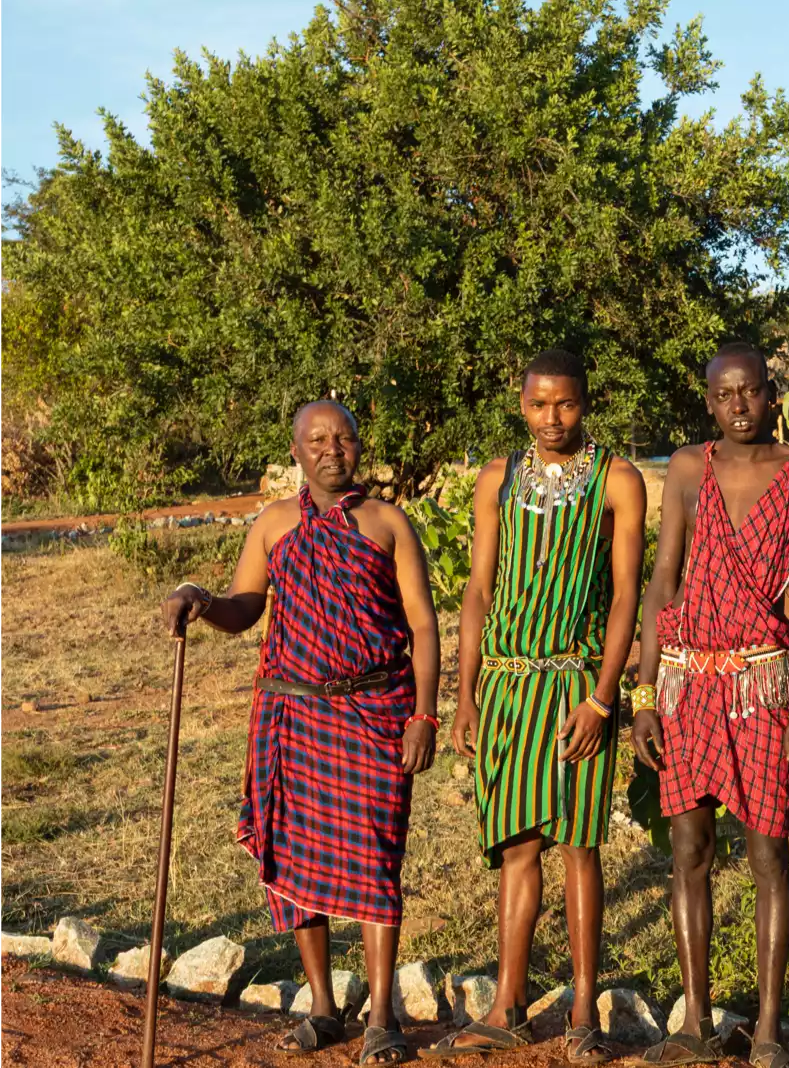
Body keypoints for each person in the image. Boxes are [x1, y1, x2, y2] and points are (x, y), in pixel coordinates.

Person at [159, 400, 439, 1066]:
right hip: (292, 715)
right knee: (295, 862)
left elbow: (423, 626)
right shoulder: (274, 525)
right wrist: (200, 598)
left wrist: (426, 714)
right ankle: (322, 1007)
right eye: (317, 440)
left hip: (374, 712)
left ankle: (381, 1017)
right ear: (296, 451)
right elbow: (246, 605)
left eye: (343, 438)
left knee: (375, 860)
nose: (331, 449)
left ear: (359, 447)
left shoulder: (386, 523)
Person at [427, 348, 646, 1064]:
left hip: (575, 683)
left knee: (580, 847)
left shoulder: (617, 479)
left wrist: (602, 698)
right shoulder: (499, 476)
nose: (552, 418)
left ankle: (585, 1011)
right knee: (517, 848)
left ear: (587, 402)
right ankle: (508, 1005)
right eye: (537, 404)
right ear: (520, 404)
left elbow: (624, 599)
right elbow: (479, 591)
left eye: (566, 404)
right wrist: (464, 694)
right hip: (509, 685)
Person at [630, 341, 789, 1068]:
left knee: (768, 850)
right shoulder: (688, 469)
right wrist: (644, 692)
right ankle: (695, 1022)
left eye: (750, 392)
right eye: (725, 395)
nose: (739, 405)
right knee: (689, 847)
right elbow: (663, 580)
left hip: (761, 682)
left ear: (772, 397)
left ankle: (771, 1030)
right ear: (709, 402)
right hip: (688, 682)